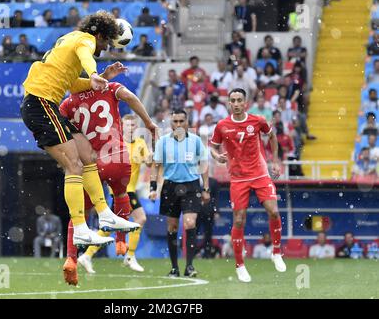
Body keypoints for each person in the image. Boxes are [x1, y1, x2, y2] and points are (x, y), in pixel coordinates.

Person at [21, 11, 141, 252]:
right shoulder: (85, 40)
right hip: (40, 103)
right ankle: (81, 229)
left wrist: (101, 77)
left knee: (87, 155)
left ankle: (105, 214)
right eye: (106, 41)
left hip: (44, 104)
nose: (105, 47)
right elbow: (88, 54)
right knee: (74, 165)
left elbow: (73, 84)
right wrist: (95, 73)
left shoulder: (71, 40)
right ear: (98, 34)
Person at [59, 83, 156, 285]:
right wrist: (149, 123)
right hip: (116, 156)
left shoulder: (68, 103)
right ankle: (121, 241)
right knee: (121, 195)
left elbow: (61, 131)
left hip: (90, 162)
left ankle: (71, 257)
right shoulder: (108, 88)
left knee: (79, 214)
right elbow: (130, 97)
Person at [210, 88, 286, 283]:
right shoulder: (222, 125)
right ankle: (240, 265)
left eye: (239, 100)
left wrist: (275, 161)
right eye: (232, 100)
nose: (235, 103)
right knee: (239, 220)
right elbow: (213, 146)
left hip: (260, 174)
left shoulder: (257, 120)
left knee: (274, 211)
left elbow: (272, 136)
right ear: (229, 103)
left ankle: (276, 252)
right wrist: (217, 156)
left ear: (245, 103)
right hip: (238, 178)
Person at [149, 109, 210, 277]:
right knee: (172, 227)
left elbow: (204, 164)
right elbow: (155, 165)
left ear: (187, 122)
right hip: (170, 187)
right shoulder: (163, 142)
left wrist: (206, 188)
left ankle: (189, 266)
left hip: (191, 186)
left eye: (181, 121)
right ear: (171, 123)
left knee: (190, 223)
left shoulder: (196, 141)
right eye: (175, 121)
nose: (178, 125)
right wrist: (153, 187)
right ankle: (174, 267)